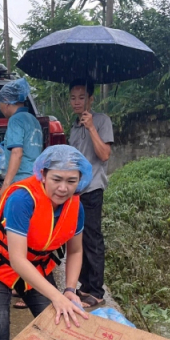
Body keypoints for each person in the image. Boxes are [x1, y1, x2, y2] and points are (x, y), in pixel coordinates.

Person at [0, 145, 93, 340]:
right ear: (42, 174)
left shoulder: (76, 206)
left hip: (36, 267)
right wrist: (57, 296)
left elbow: (75, 251)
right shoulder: (22, 199)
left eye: (71, 181)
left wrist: (69, 291)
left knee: (58, 325)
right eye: (57, 179)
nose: (63, 188)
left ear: (80, 180)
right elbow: (17, 260)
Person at [68, 80, 114, 307]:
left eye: (82, 97)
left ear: (91, 99)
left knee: (92, 238)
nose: (77, 102)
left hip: (93, 188)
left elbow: (104, 154)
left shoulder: (102, 121)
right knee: (78, 238)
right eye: (73, 97)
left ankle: (95, 291)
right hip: (75, 192)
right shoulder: (74, 126)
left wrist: (92, 128)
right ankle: (84, 286)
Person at [0, 78, 44, 197]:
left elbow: (17, 153)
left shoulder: (15, 120)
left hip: (21, 183)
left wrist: (5, 185)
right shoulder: (34, 120)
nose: (0, 106)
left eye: (0, 102)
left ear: (6, 103)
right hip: (36, 179)